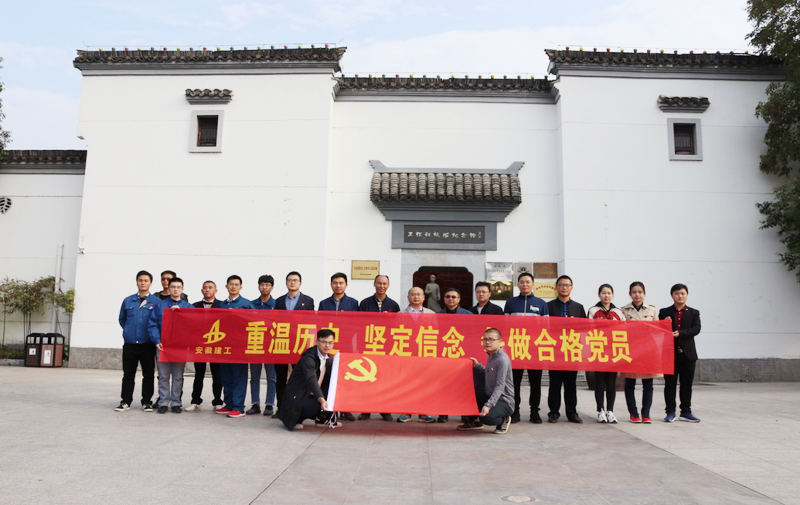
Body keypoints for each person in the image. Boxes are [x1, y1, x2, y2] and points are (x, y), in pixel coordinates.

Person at [505, 272, 549, 423]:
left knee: (535, 383)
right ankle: (514, 412)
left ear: (533, 284)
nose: (525, 284)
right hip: (516, 348)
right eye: (522, 282)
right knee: (514, 383)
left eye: (528, 282)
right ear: (518, 284)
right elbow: (505, 325)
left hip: (534, 350)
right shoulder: (510, 303)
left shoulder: (541, 303)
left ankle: (534, 412)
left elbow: (546, 327)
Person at [278, 329, 341, 431]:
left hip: (312, 394)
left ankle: (322, 419)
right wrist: (321, 399)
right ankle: (295, 419)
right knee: (312, 407)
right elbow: (311, 379)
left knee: (332, 391)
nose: (327, 345)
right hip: (298, 395)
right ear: (317, 342)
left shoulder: (329, 360)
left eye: (330, 343)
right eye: (324, 342)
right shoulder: (308, 358)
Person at [116, 270, 160, 412]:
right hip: (130, 344)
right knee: (128, 374)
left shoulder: (156, 302)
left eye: (146, 280)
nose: (143, 283)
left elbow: (158, 322)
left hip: (147, 344)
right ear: (136, 282)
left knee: (148, 375)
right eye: (140, 280)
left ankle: (146, 401)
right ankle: (125, 401)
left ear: (150, 283)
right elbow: (122, 319)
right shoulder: (128, 300)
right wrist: (129, 331)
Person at [148, 277, 193, 414]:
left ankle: (176, 402)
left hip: (180, 347)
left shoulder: (188, 307)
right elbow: (153, 324)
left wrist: (181, 313)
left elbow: (193, 326)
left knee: (178, 376)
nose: (175, 289)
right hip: (163, 346)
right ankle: (163, 402)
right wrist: (157, 341)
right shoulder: (160, 305)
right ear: (169, 288)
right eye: (173, 287)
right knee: (163, 375)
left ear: (182, 289)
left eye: (178, 287)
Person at [273, 271, 315, 419]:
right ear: (286, 283)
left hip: (299, 344)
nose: (292, 283)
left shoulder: (308, 301)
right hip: (282, 343)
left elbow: (310, 322)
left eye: (295, 280)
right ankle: (280, 409)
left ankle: (297, 409)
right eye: (290, 280)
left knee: (299, 378)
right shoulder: (279, 301)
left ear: (300, 283)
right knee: (280, 378)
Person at [317, 273, 359, 422]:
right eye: (335, 283)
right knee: (328, 375)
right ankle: (329, 407)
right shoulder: (324, 303)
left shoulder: (353, 303)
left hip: (346, 345)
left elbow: (357, 326)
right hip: (328, 346)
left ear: (346, 285)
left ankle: (346, 409)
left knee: (346, 376)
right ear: (331, 285)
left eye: (341, 283)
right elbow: (320, 324)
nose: (338, 285)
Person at [546, 275, 586, 424]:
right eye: (561, 285)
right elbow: (544, 327)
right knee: (554, 384)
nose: (564, 287)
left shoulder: (579, 307)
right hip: (555, 350)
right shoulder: (549, 306)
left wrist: (575, 324)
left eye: (567, 285)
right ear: (556, 287)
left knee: (571, 384)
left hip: (572, 350)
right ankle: (553, 412)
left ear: (571, 288)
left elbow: (584, 328)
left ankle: (572, 413)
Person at [457, 328, 514, 434]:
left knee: (487, 418)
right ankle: (475, 422)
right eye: (485, 339)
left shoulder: (502, 360)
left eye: (492, 339)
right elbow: (488, 374)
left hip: (504, 400)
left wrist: (488, 405)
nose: (487, 342)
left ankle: (504, 419)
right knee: (468, 394)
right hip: (490, 395)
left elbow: (500, 386)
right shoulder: (491, 356)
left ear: (500, 342)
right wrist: (477, 366)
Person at [358, 274, 399, 421]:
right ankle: (366, 409)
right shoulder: (365, 303)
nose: (382, 286)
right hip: (368, 345)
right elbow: (359, 325)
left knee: (385, 378)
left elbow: (397, 328)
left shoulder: (394, 305)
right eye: (379, 283)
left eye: (384, 283)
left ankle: (384, 409)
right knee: (367, 377)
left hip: (387, 347)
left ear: (388, 285)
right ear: (374, 284)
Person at [659, 283, 702, 423]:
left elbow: (696, 328)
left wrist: (681, 333)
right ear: (672, 296)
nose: (680, 296)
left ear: (687, 295)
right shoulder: (664, 312)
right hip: (670, 354)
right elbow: (660, 330)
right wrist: (665, 323)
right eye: (677, 293)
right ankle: (670, 412)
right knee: (670, 384)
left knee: (686, 384)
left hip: (688, 354)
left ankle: (686, 411)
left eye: (683, 293)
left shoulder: (694, 312)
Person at [215, 275, 255, 418]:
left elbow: (254, 322)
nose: (233, 287)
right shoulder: (222, 305)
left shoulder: (246, 304)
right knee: (226, 376)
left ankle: (239, 407)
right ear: (226, 286)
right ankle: (229, 404)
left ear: (240, 287)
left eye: (236, 284)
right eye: (231, 284)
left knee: (239, 376)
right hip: (225, 346)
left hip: (240, 346)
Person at [620, 281, 659, 424]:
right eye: (634, 292)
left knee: (648, 384)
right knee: (630, 383)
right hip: (631, 350)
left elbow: (657, 329)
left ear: (644, 293)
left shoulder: (652, 310)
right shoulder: (623, 311)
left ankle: (646, 414)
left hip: (648, 350)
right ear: (630, 294)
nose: (637, 295)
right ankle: (633, 413)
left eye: (640, 292)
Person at [587, 284, 626, 424]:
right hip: (599, 351)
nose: (606, 296)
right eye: (603, 293)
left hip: (614, 351)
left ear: (612, 295)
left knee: (611, 382)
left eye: (609, 293)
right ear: (599, 295)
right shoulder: (593, 310)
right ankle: (600, 411)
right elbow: (589, 329)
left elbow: (624, 330)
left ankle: (610, 411)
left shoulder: (618, 312)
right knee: (599, 382)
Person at [397, 287, 436, 424]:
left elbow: (436, 333)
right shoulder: (400, 314)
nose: (416, 297)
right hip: (406, 353)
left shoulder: (431, 314)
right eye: (412, 294)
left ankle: (424, 412)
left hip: (425, 353)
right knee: (405, 382)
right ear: (408, 297)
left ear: (424, 297)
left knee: (424, 383)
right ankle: (405, 412)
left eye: (418, 294)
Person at [186, 280, 223, 411]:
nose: (207, 290)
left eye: (210, 287)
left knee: (217, 374)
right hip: (199, 345)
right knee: (199, 374)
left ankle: (218, 401)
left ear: (215, 291)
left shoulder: (222, 306)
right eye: (205, 288)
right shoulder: (194, 306)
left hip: (217, 344)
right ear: (202, 290)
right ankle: (195, 401)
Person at [247, 275, 277, 416]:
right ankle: (255, 404)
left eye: (267, 285)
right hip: (255, 344)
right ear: (258, 286)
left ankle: (269, 404)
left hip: (271, 345)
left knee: (271, 377)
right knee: (255, 376)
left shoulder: (277, 304)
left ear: (272, 287)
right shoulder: (251, 305)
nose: (264, 287)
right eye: (262, 284)